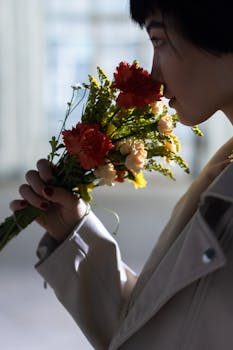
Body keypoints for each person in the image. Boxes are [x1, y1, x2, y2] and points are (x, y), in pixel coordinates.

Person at [10, 0, 233, 349]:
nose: (154, 75)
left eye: (158, 41)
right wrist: (74, 234)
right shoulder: (222, 173)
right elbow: (152, 331)